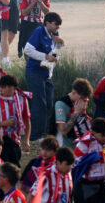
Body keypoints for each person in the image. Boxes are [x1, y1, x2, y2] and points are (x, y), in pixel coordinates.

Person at [23, 12, 63, 146]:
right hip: (34, 72)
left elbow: (55, 53)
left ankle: (36, 129)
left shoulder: (54, 35)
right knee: (40, 104)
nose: (57, 28)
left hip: (46, 74)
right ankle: (35, 136)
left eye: (59, 26)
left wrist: (60, 44)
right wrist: (45, 57)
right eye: (56, 25)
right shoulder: (39, 31)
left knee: (49, 103)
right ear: (48, 23)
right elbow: (28, 50)